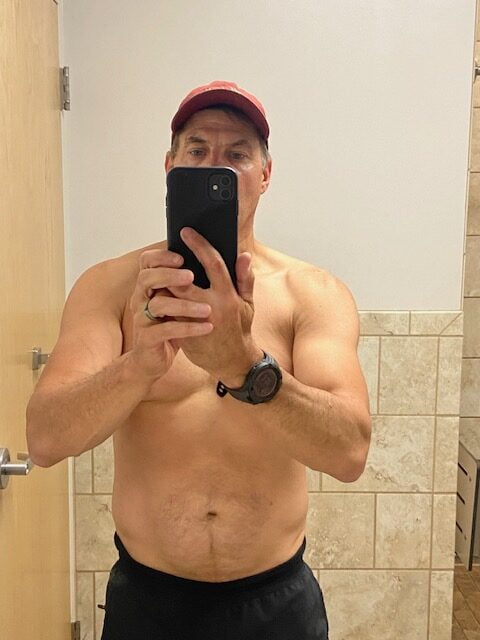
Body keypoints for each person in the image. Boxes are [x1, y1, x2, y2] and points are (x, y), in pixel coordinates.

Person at [26, 80, 371, 639]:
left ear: (265, 174)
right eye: (198, 150)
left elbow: (349, 452)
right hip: (148, 601)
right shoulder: (112, 288)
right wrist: (139, 365)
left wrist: (246, 367)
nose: (218, 165)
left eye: (238, 153)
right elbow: (44, 439)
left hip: (275, 603)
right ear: (170, 167)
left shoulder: (312, 294)